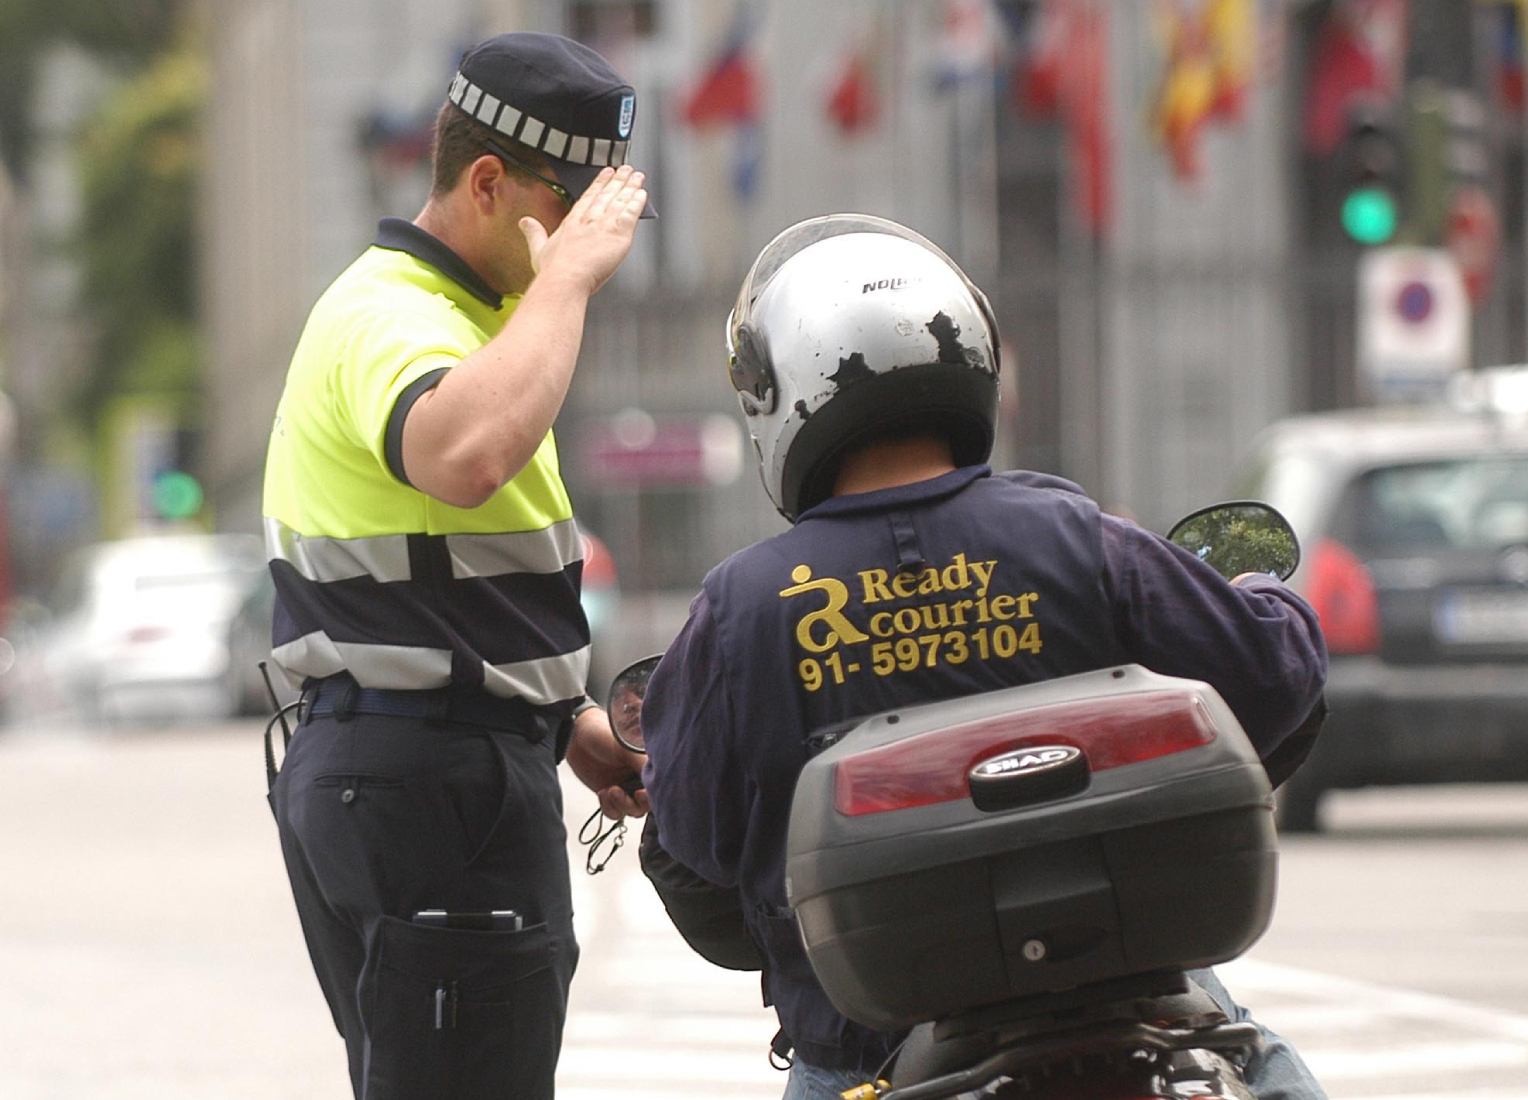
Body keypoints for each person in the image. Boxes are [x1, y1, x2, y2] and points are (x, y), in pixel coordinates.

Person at [637, 215, 1331, 1100]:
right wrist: (1263, 600)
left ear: (782, 390)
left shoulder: (742, 609)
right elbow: (1275, 678)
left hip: (869, 1047)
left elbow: (697, 833)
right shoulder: (1071, 537)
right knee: (1256, 1064)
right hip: (1121, 1003)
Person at [261, 31, 651, 1100]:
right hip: (428, 783)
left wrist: (554, 712)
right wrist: (563, 282)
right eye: (576, 215)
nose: (599, 251)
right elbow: (462, 452)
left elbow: (442, 574)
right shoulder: (396, 313)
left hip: (427, 764)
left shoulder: (476, 321)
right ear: (489, 183)